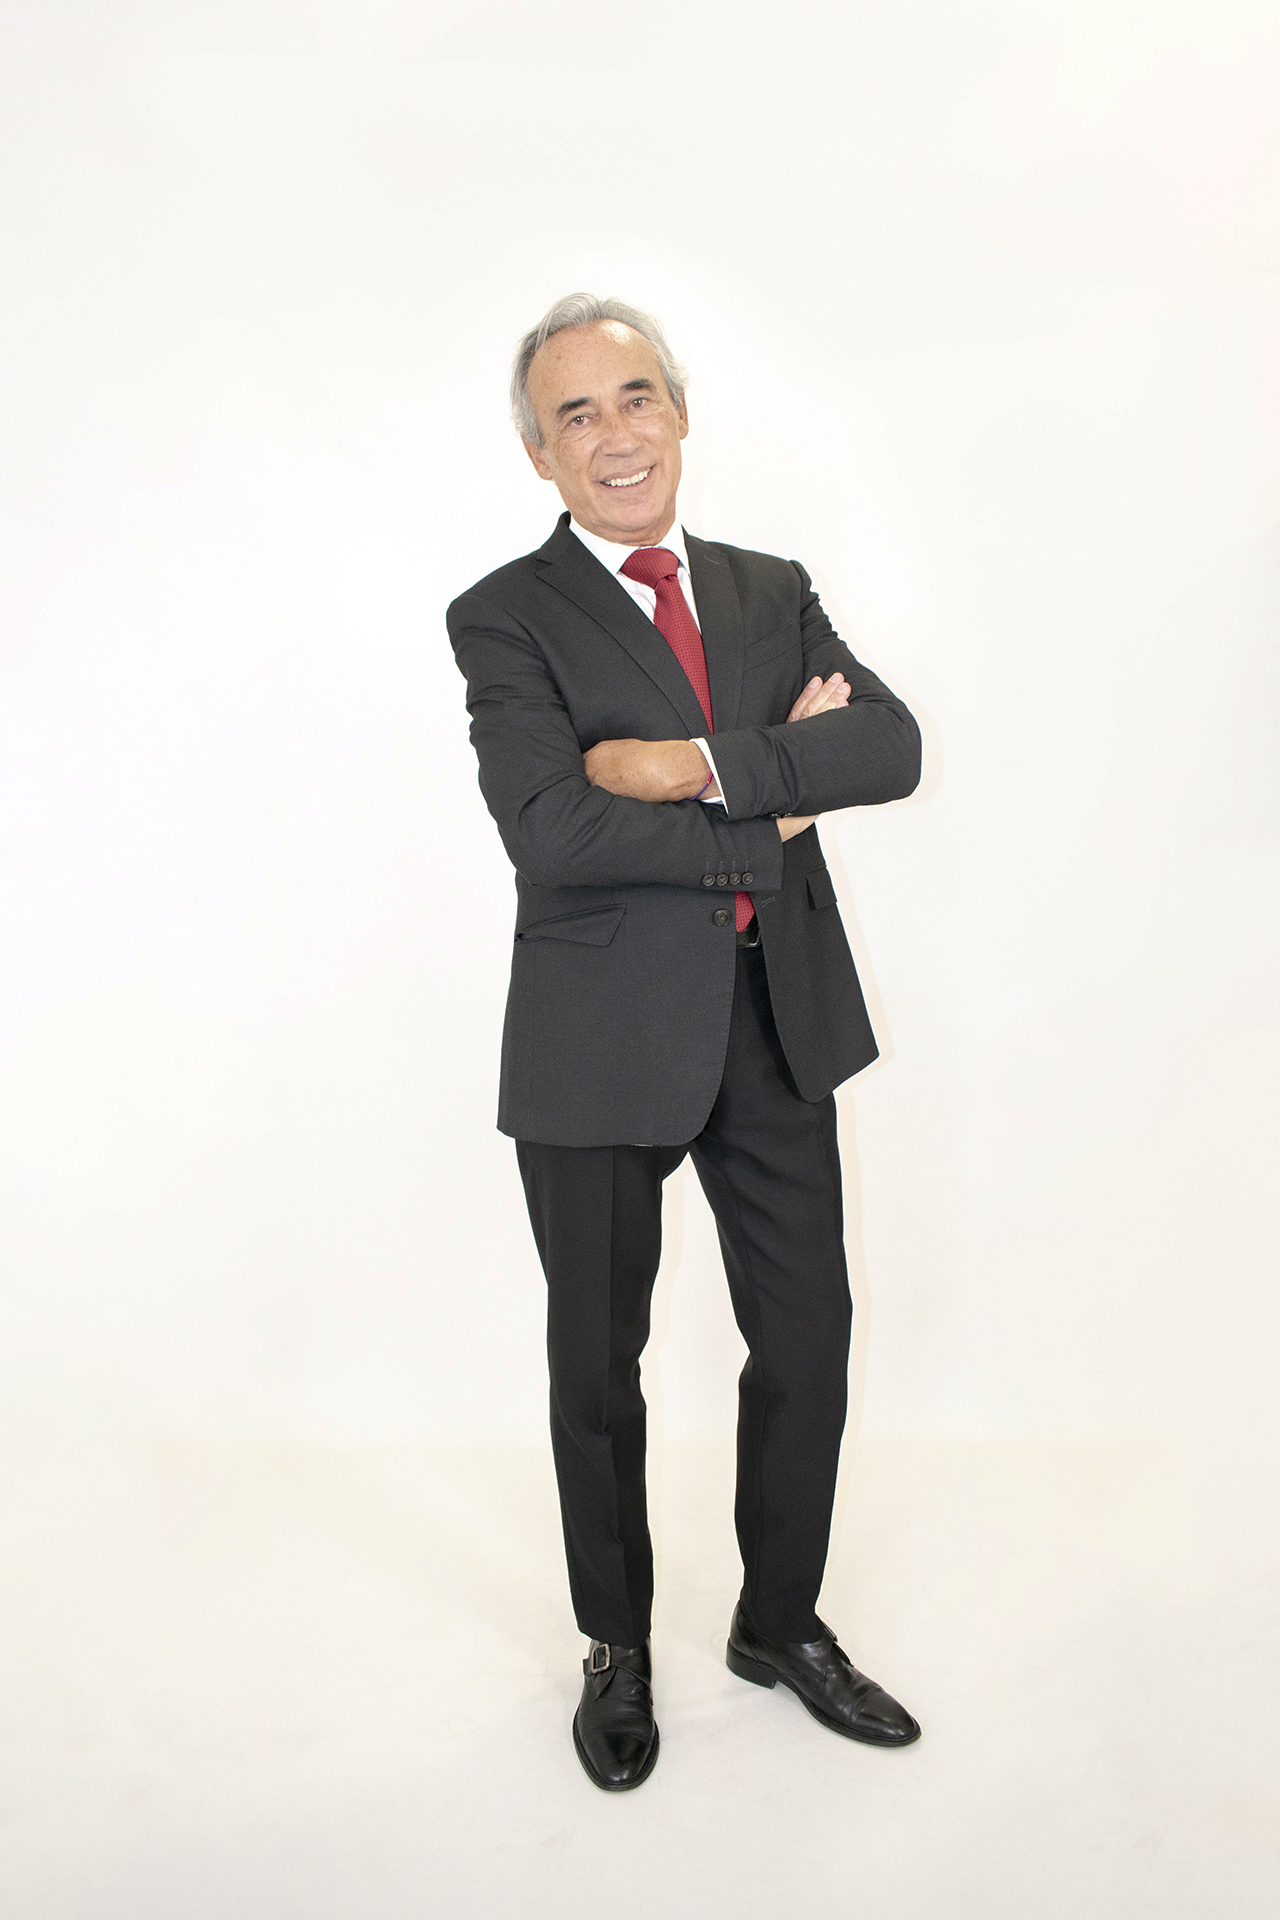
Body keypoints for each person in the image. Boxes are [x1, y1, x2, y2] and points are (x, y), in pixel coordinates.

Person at [447, 293, 922, 1791]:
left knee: (809, 1337)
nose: (615, 436)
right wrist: (771, 810)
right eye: (575, 415)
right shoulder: (505, 615)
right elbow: (551, 831)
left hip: (775, 1020)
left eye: (635, 398)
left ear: (681, 412)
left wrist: (682, 764)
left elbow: (889, 747)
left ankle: (779, 1624)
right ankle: (618, 1646)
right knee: (599, 1364)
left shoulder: (770, 589)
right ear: (539, 454)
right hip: (598, 1043)